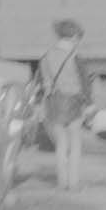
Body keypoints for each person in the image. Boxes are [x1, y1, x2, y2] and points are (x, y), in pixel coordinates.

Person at [37, 18, 88, 192]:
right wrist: (89, 104)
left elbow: (42, 81)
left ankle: (62, 181)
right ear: (73, 37)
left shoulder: (46, 56)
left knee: (61, 144)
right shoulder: (75, 57)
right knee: (75, 143)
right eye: (78, 38)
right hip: (73, 101)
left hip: (54, 102)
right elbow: (84, 82)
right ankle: (73, 183)